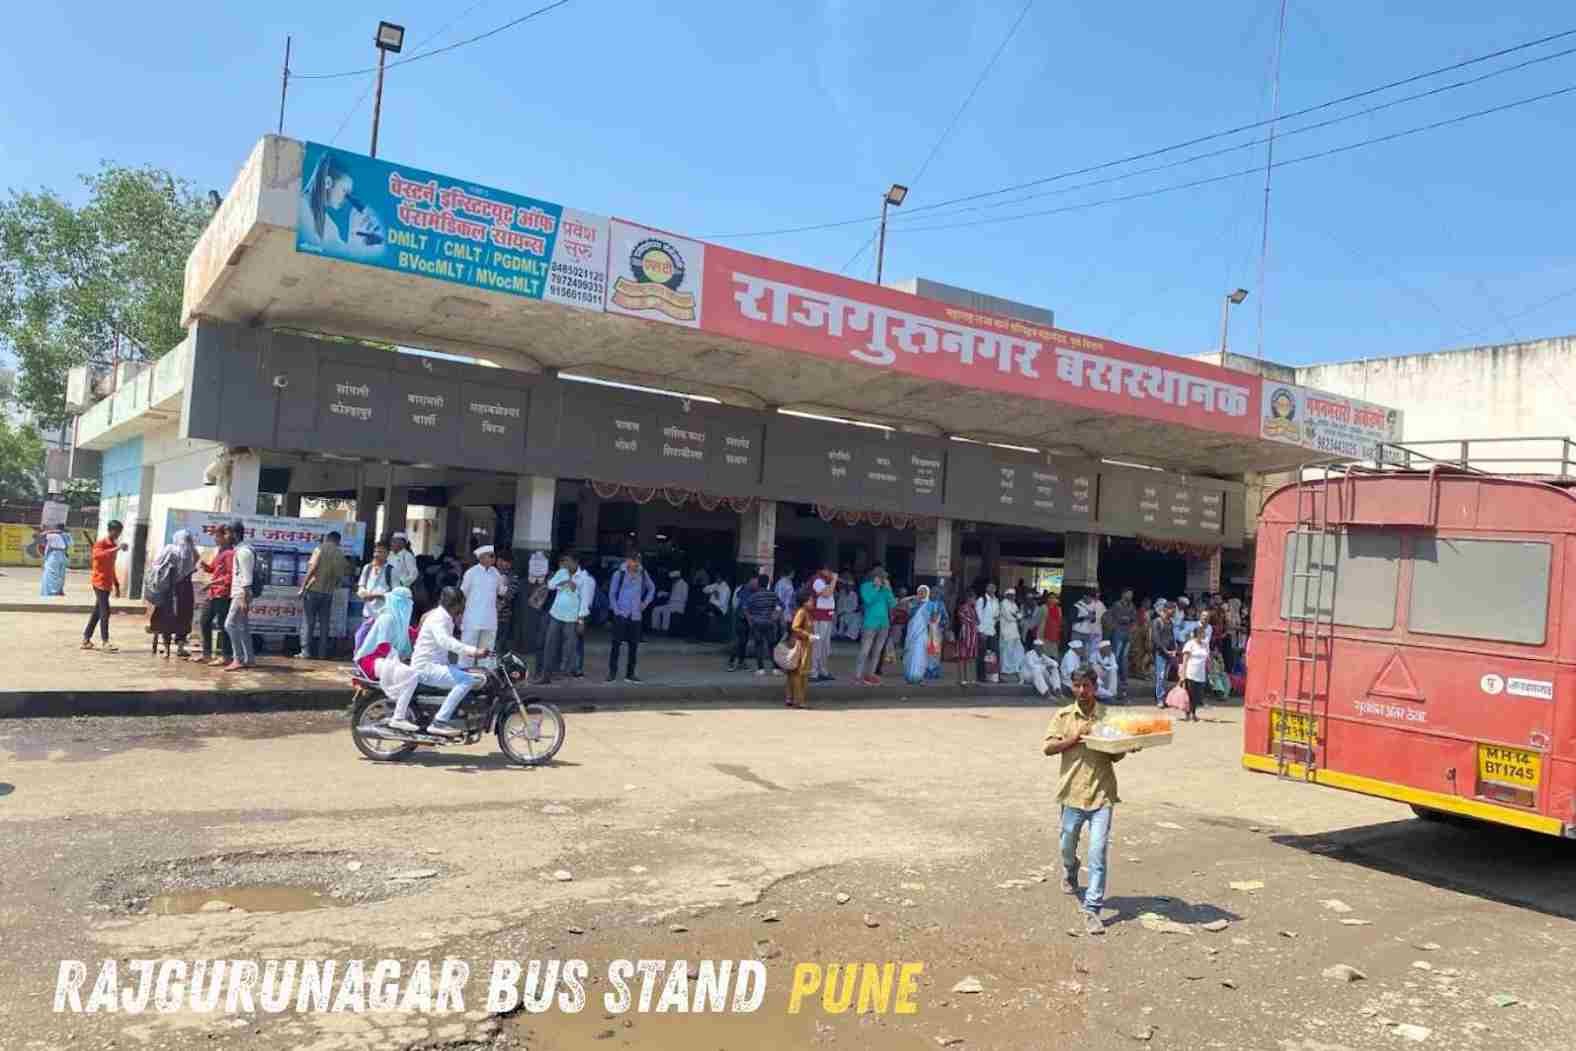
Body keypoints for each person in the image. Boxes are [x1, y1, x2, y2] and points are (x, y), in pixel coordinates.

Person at [1043, 666, 1133, 935]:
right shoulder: (1063, 716)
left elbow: (1116, 754)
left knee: (1098, 852)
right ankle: (1071, 870)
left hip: (1101, 794)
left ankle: (1093, 908)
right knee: (1066, 844)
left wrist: (1127, 746)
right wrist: (1075, 738)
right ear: (1072, 687)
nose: (1082, 691)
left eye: (1087, 686)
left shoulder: (1107, 716)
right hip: (1071, 792)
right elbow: (1048, 747)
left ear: (1095, 687)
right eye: (1077, 686)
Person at [408, 586, 487, 736]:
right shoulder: (439, 618)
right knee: (466, 680)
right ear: (454, 605)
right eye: (461, 605)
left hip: (436, 664)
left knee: (471, 672)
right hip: (426, 668)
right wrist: (473, 651)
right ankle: (439, 722)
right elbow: (445, 642)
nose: (462, 609)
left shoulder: (444, 616)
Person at [354, 587, 420, 732]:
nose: (409, 605)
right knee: (411, 675)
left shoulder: (399, 621)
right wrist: (399, 657)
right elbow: (383, 646)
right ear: (399, 602)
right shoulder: (387, 618)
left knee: (414, 672)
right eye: (407, 602)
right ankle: (398, 718)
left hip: (384, 660)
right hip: (370, 660)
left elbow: (409, 641)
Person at [535, 552, 591, 685]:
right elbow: (550, 585)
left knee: (569, 648)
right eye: (565, 561)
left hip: (572, 618)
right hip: (556, 614)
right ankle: (545, 676)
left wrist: (581, 620)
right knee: (549, 644)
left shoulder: (584, 578)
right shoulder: (562, 572)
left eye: (568, 561)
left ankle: (565, 675)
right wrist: (565, 581)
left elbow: (585, 601)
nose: (566, 564)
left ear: (576, 562)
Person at [145, 529, 199, 659]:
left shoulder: (170, 549)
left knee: (166, 617)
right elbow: (195, 562)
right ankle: (180, 647)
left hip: (169, 590)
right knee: (184, 617)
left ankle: (166, 647)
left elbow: (157, 564)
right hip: (185, 590)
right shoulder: (191, 552)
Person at [299, 530, 349, 660]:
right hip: (328, 593)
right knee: (324, 624)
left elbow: (313, 568)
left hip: (313, 590)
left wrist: (303, 586)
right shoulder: (340, 554)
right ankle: (322, 653)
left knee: (308, 622)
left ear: (327, 538)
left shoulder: (319, 549)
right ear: (338, 541)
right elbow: (341, 576)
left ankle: (305, 652)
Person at [607, 554, 655, 682]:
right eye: (634, 561)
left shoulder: (643, 573)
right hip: (621, 614)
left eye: (638, 561)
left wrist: (645, 603)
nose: (637, 564)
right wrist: (616, 611)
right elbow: (611, 594)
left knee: (634, 646)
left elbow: (652, 588)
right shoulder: (619, 574)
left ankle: (630, 673)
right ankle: (612, 672)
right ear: (628, 561)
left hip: (635, 615)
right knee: (616, 645)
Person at [82, 521, 126, 651]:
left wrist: (116, 584)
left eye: (120, 531)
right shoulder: (101, 543)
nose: (118, 534)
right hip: (99, 582)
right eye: (116, 531)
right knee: (105, 612)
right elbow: (98, 555)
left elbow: (110, 567)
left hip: (107, 583)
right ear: (110, 530)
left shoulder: (113, 545)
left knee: (97, 613)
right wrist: (116, 549)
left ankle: (86, 639)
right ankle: (105, 642)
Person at [194, 525, 234, 666]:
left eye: (218, 536)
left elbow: (230, 576)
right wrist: (204, 565)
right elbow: (213, 569)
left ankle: (226, 656)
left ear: (225, 537)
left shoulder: (229, 553)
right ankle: (206, 654)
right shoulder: (221, 552)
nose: (215, 539)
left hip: (223, 594)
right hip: (213, 594)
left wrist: (212, 584)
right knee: (205, 621)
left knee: (223, 625)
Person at [459, 545, 503, 669]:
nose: (494, 558)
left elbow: (502, 592)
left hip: (490, 618)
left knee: (487, 648)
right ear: (481, 558)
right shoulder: (471, 573)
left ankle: (486, 676)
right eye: (491, 556)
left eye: (493, 556)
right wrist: (459, 614)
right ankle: (464, 673)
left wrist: (505, 584)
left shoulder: (496, 573)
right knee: (468, 647)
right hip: (472, 617)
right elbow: (463, 594)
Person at [224, 520, 257, 671]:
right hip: (241, 593)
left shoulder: (243, 552)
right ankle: (249, 659)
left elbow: (247, 577)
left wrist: (244, 598)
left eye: (227, 533)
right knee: (243, 627)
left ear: (235, 534)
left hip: (241, 594)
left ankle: (238, 658)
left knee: (229, 625)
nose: (226, 536)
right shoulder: (240, 550)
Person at [855, 568, 895, 685]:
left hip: (884, 624)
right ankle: (858, 675)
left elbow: (893, 604)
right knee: (864, 651)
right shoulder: (866, 586)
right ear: (875, 577)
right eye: (882, 578)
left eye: (884, 578)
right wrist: (877, 588)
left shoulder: (885, 589)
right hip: (870, 624)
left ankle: (870, 675)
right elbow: (868, 600)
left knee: (877, 652)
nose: (883, 580)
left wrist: (889, 590)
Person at [356, 541, 395, 651]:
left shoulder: (391, 571)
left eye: (381, 552)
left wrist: (378, 595)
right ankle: (360, 664)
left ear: (387, 554)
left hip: (383, 614)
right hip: (368, 613)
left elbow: (396, 595)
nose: (377, 554)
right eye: (376, 551)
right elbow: (361, 587)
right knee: (360, 640)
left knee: (379, 645)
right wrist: (363, 593)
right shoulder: (367, 568)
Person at [743, 573, 782, 675]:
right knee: (772, 646)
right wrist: (776, 616)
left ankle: (761, 669)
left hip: (757, 624)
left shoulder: (753, 596)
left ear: (758, 584)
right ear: (768, 583)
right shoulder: (772, 594)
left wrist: (750, 621)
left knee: (759, 646)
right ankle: (775, 669)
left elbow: (746, 609)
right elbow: (780, 606)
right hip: (770, 623)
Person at [784, 588, 815, 709]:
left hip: (802, 646)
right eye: (811, 600)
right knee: (800, 675)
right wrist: (808, 635)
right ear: (804, 602)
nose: (813, 602)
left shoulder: (805, 612)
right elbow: (795, 627)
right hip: (801, 647)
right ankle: (799, 701)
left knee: (794, 674)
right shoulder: (802, 612)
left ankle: (791, 698)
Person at [902, 584, 937, 685]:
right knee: (910, 653)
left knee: (920, 654)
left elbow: (934, 619)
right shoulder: (913, 603)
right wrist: (913, 598)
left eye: (924, 592)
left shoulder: (931, 604)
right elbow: (901, 603)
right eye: (920, 592)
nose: (921, 594)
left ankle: (918, 677)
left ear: (927, 593)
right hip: (911, 632)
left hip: (922, 633)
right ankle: (909, 677)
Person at [810, 567, 837, 682]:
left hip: (827, 616)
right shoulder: (817, 580)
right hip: (819, 617)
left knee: (825, 646)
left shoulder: (825, 581)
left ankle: (822, 670)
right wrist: (834, 580)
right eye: (829, 571)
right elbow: (826, 594)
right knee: (818, 645)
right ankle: (814, 672)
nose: (831, 573)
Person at [1180, 625, 1210, 722]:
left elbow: (1207, 659)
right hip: (1191, 673)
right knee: (1190, 694)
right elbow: (1185, 660)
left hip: (1201, 673)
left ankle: (1193, 713)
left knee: (1197, 695)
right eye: (1202, 633)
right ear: (1197, 634)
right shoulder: (1190, 644)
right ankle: (1188, 714)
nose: (1204, 634)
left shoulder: (1205, 644)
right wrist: (1182, 675)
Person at [1151, 602, 1178, 708]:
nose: (1174, 612)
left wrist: (1174, 649)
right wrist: (1165, 650)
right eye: (1173, 610)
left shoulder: (1170, 622)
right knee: (1160, 676)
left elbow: (1171, 637)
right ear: (1166, 609)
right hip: (1160, 653)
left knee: (1164, 677)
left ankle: (1162, 697)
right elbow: (1155, 638)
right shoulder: (1157, 622)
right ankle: (1160, 699)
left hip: (1169, 653)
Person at [1110, 589, 1137, 687]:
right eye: (1129, 594)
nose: (1130, 596)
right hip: (1118, 632)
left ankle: (1123, 678)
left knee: (1124, 657)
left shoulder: (1132, 606)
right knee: (1116, 655)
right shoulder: (1117, 605)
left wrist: (1130, 623)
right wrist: (1125, 619)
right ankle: (1114, 677)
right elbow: (1114, 617)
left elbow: (1134, 619)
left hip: (1128, 633)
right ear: (1123, 594)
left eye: (1131, 594)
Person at [953, 585, 980, 686]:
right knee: (962, 657)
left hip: (972, 635)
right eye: (974, 599)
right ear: (969, 598)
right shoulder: (963, 608)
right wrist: (973, 621)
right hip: (965, 635)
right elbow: (965, 620)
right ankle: (961, 679)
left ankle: (970, 678)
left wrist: (973, 621)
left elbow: (978, 621)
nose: (975, 600)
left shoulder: (973, 609)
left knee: (970, 657)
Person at [974, 582, 1000, 684]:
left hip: (992, 631)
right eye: (990, 587)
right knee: (982, 655)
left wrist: (996, 618)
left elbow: (997, 615)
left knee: (994, 654)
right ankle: (980, 676)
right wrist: (981, 632)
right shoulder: (981, 600)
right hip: (983, 632)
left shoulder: (996, 600)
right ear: (986, 589)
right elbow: (978, 616)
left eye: (994, 588)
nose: (992, 589)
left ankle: (993, 676)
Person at [998, 588, 1025, 680]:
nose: (1013, 596)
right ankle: (1005, 670)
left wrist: (1016, 616)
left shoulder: (1014, 604)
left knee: (1017, 650)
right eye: (1011, 595)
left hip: (1014, 632)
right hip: (1006, 632)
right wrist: (1016, 617)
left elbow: (1019, 615)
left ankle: (1014, 668)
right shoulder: (1003, 603)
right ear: (1007, 595)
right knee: (1006, 651)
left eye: (1014, 595)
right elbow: (1008, 617)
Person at [39, 525, 70, 596]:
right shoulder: (65, 535)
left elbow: (41, 540)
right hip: (61, 554)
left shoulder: (50, 535)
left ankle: (50, 591)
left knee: (51, 573)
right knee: (60, 574)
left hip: (54, 554)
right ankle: (58, 590)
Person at [835, 577, 861, 641]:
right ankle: (836, 634)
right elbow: (838, 604)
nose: (849, 587)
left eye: (851, 586)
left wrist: (845, 611)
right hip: (839, 612)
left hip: (849, 613)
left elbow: (854, 607)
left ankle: (849, 636)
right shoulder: (841, 593)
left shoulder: (854, 595)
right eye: (848, 586)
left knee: (857, 617)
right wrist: (840, 612)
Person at [1042, 592, 1063, 656]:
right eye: (1050, 598)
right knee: (1044, 652)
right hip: (1045, 632)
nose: (1052, 600)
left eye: (1054, 598)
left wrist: (1059, 632)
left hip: (1055, 632)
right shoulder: (1043, 607)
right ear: (1047, 599)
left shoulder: (1059, 609)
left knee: (1054, 652)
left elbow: (1060, 621)